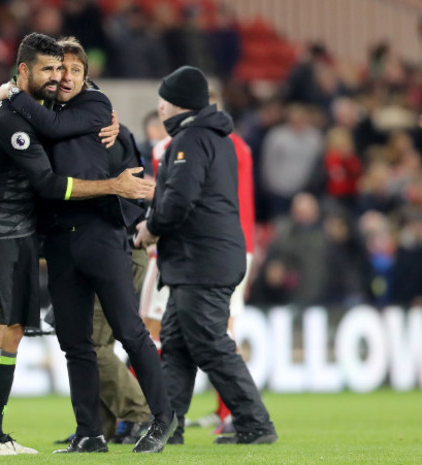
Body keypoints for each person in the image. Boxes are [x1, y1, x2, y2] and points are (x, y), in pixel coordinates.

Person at [0, 33, 153, 457]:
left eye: (61, 69)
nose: (57, 77)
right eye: (48, 69)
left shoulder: (44, 110)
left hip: (26, 234)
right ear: (24, 71)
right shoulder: (10, 116)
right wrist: (113, 186)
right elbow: (46, 183)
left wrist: (117, 129)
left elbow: (76, 120)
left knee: (12, 332)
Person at [135, 66, 277, 445]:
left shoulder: (190, 140)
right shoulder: (217, 139)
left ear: (176, 103)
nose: (160, 108)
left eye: (163, 100)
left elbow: (179, 200)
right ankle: (169, 425)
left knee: (210, 344)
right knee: (178, 347)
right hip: (202, 259)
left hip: (202, 261)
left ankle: (254, 423)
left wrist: (151, 227)